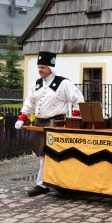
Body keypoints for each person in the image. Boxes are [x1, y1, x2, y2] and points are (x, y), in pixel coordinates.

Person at [15, 51, 84, 196]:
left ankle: (43, 184)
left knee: (49, 155)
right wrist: (22, 118)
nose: (40, 70)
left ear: (51, 68)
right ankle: (52, 182)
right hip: (39, 123)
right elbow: (30, 103)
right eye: (39, 67)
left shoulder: (62, 83)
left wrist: (74, 118)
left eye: (43, 67)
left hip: (55, 124)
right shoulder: (37, 83)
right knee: (41, 154)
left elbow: (79, 100)